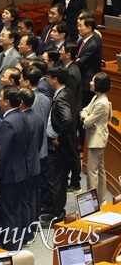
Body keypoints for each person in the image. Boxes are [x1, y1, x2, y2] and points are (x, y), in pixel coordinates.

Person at [0, 86, 29, 251]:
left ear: (7, 101)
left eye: (0, 96)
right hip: (21, 170)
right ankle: (16, 245)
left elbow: (2, 154)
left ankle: (9, 249)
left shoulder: (7, 123)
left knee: (7, 213)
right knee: (15, 211)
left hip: (8, 175)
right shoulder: (22, 116)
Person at [40, 65, 78, 225]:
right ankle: (54, 209)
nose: (47, 80)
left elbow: (67, 119)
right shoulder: (67, 92)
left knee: (55, 179)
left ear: (54, 79)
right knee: (58, 179)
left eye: (48, 77)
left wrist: (60, 137)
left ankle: (57, 214)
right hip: (64, 145)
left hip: (58, 146)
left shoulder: (61, 97)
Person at [80, 72, 112, 204]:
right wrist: (86, 117)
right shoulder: (96, 98)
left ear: (98, 84)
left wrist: (86, 119)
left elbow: (87, 122)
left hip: (97, 141)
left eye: (93, 81)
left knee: (92, 172)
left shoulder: (101, 103)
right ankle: (102, 199)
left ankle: (91, 204)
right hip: (96, 138)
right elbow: (83, 111)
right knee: (100, 170)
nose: (90, 83)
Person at [18, 87, 44, 245]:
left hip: (25, 165)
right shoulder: (39, 117)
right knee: (32, 198)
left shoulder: (23, 120)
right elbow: (40, 142)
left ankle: (26, 234)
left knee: (25, 200)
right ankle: (32, 229)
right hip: (35, 162)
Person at [0, 29, 20, 114]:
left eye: (3, 36)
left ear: (12, 40)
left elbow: (13, 81)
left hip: (5, 98)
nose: (0, 38)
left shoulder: (16, 57)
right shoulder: (1, 54)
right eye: (0, 35)